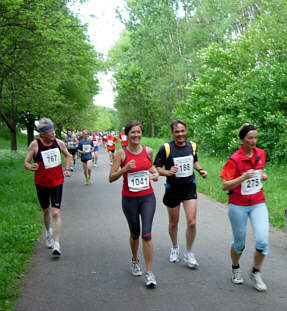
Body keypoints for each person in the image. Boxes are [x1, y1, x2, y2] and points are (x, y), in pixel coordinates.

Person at [109, 120, 159, 288]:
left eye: (139, 132)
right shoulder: (121, 154)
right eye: (133, 133)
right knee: (135, 234)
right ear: (127, 135)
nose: (136, 135)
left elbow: (152, 168)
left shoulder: (148, 151)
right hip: (129, 199)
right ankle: (135, 259)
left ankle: (149, 273)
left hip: (147, 197)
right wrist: (124, 169)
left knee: (146, 234)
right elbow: (111, 177)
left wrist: (156, 175)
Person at [220, 123, 269, 292]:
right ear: (242, 140)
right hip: (238, 205)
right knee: (239, 244)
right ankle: (235, 267)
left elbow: (260, 172)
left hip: (257, 202)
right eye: (250, 138)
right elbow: (224, 185)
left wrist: (263, 175)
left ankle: (255, 272)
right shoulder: (234, 160)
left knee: (263, 241)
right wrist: (242, 177)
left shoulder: (261, 154)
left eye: (255, 137)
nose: (253, 141)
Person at [154, 119, 207, 268]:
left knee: (192, 221)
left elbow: (195, 161)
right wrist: (167, 172)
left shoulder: (192, 146)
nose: (180, 134)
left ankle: (189, 253)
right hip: (173, 188)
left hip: (189, 187)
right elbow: (156, 167)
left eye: (182, 131)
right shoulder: (166, 148)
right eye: (177, 131)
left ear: (186, 131)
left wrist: (200, 170)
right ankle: (175, 246)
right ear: (172, 132)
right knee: (174, 222)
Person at [24, 117, 71, 256]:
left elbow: (68, 156)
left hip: (57, 182)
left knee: (55, 212)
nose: (53, 133)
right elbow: (26, 162)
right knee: (46, 211)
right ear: (42, 133)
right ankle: (48, 232)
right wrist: (31, 166)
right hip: (41, 183)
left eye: (53, 130)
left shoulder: (59, 143)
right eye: (49, 132)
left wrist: (67, 169)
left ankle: (57, 244)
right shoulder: (35, 145)